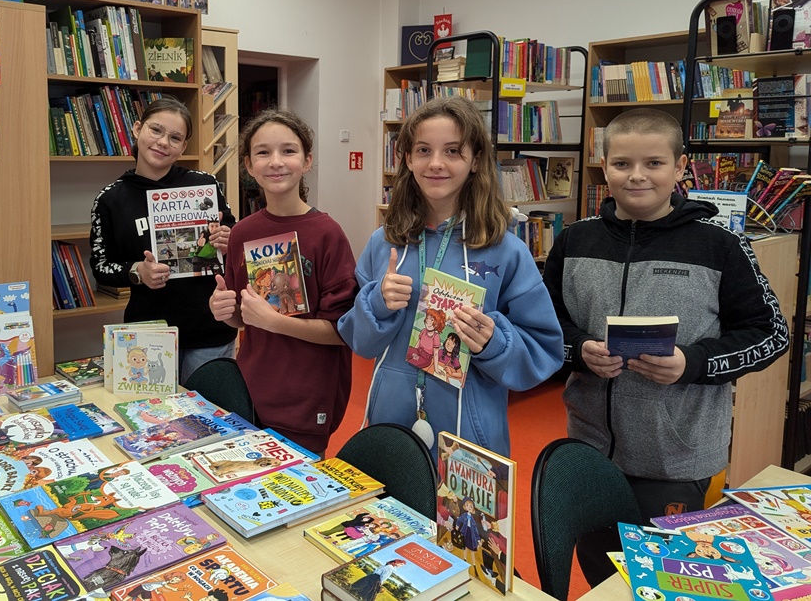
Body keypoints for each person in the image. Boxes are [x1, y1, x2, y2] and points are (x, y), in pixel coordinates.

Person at [542, 107, 789, 586]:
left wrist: (693, 362)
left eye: (654, 163)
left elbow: (771, 333)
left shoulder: (721, 245)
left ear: (679, 168)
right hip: (589, 446)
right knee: (601, 570)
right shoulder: (574, 240)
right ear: (604, 166)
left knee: (669, 581)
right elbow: (547, 325)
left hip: (678, 458)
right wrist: (578, 350)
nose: (636, 176)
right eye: (621, 164)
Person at [338, 96, 562, 457]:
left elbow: (543, 351)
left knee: (462, 515)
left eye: (453, 151)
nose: (436, 163)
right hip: (390, 423)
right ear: (408, 159)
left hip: (469, 435)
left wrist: (494, 342)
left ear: (475, 161)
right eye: (424, 150)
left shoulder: (506, 250)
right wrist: (377, 303)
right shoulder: (385, 243)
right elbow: (357, 341)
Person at [209, 108, 358, 455]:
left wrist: (275, 322)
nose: (276, 161)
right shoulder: (243, 232)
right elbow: (241, 316)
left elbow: (342, 331)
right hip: (251, 391)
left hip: (307, 397)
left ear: (306, 161)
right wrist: (223, 309)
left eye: (288, 151)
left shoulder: (327, 234)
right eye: (263, 152)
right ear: (248, 165)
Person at [89, 97, 236, 382]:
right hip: (148, 332)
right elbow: (100, 266)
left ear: (183, 147)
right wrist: (137, 271)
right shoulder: (110, 199)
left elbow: (233, 239)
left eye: (175, 137)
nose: (163, 142)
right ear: (137, 129)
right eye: (156, 130)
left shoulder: (204, 185)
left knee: (209, 419)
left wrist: (227, 239)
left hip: (209, 329)